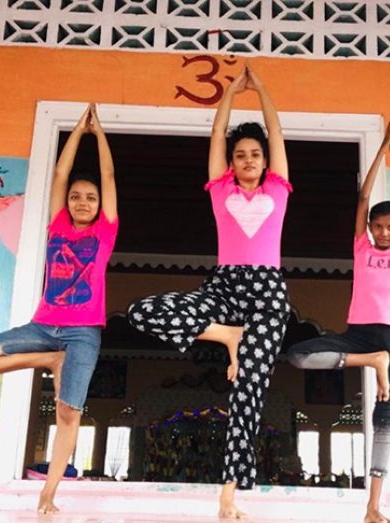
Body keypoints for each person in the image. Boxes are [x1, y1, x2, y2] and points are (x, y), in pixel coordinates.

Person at [127, 65, 291, 519]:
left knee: (249, 393)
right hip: (223, 285)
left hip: (267, 294)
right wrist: (231, 96)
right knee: (143, 310)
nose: (249, 160)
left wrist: (261, 93)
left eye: (255, 154)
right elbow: (217, 132)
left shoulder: (279, 187)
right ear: (231, 161)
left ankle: (228, 495)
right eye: (241, 155)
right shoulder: (220, 190)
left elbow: (276, 130)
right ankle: (227, 336)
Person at [0, 104, 118, 514]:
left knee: (69, 414)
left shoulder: (105, 229)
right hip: (45, 326)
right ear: (66, 203)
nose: (83, 202)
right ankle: (48, 360)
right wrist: (75, 135)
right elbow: (60, 175)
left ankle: (49, 492)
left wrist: (99, 135)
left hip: (84, 333)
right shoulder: (58, 226)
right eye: (76, 198)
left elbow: (108, 176)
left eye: (91, 198)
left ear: (100, 205)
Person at [286, 121, 390, 523]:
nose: (385, 232)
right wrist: (379, 155)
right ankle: (372, 362)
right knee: (299, 355)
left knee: (384, 418)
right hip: (359, 336)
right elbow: (362, 198)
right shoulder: (361, 246)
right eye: (379, 227)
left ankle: (373, 507)